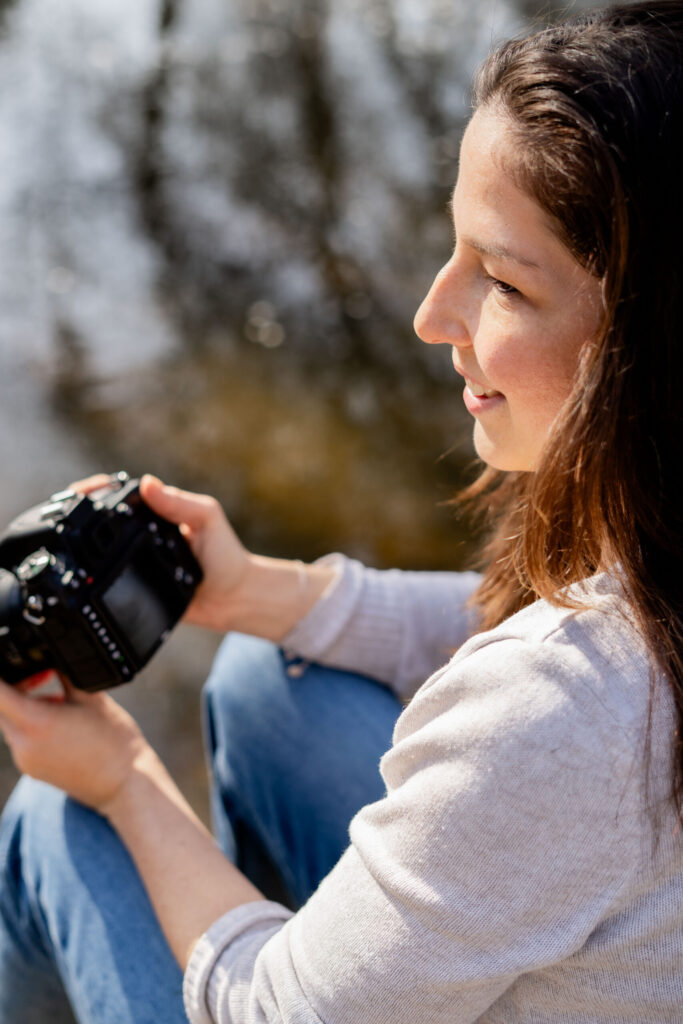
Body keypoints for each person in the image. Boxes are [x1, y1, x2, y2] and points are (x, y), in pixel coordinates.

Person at [1, 1, 682, 1020]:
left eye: (500, 281)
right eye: (453, 249)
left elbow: (274, 1009)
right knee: (266, 678)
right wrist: (260, 593)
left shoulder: (564, 709)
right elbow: (539, 644)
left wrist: (124, 777)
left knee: (53, 827)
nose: (430, 315)